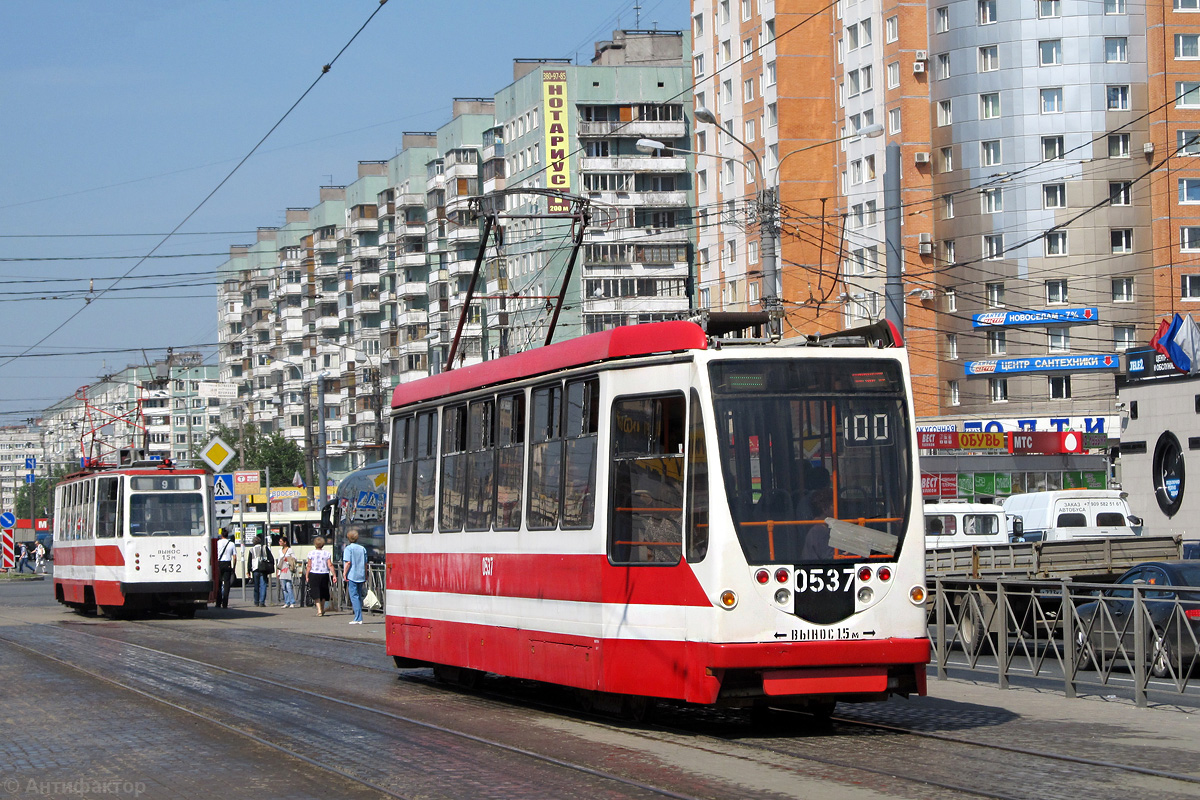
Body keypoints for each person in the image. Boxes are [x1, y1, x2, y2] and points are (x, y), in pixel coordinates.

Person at [801, 487, 837, 561]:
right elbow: (829, 557)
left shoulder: (820, 527)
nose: (837, 509)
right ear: (825, 509)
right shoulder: (818, 530)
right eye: (833, 506)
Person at [342, 528, 368, 624]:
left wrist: (344, 573)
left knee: (354, 596)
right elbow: (365, 564)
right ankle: (359, 616)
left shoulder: (348, 549)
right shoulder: (362, 548)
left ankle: (358, 617)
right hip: (361, 574)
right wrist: (366, 574)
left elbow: (348, 562)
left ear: (349, 538)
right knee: (359, 595)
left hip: (352, 575)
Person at [304, 536, 334, 617]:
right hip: (324, 573)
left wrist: (307, 575)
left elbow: (309, 566)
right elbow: (330, 565)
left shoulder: (311, 553)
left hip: (314, 573)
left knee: (316, 591)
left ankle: (319, 610)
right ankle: (323, 607)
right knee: (324, 591)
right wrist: (334, 575)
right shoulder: (327, 553)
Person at [215, 528, 236, 608]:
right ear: (227, 535)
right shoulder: (231, 544)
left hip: (219, 563)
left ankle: (218, 602)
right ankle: (225, 603)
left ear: (221, 535)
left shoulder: (217, 543)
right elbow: (234, 557)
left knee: (219, 583)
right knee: (227, 584)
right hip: (227, 564)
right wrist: (234, 567)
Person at [249, 535, 272, 607]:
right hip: (263, 569)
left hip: (255, 569)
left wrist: (248, 570)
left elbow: (249, 561)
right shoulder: (265, 548)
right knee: (263, 585)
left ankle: (256, 601)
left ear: (254, 542)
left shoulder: (251, 550)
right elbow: (271, 558)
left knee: (256, 586)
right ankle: (262, 602)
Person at [277, 537, 297, 608]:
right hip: (282, 570)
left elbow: (294, 559)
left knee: (289, 586)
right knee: (283, 587)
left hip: (288, 569)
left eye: (281, 541)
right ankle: (286, 602)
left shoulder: (290, 550)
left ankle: (292, 602)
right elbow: (279, 561)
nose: (279, 543)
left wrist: (287, 560)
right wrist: (278, 571)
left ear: (285, 542)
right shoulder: (280, 550)